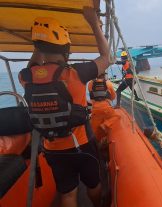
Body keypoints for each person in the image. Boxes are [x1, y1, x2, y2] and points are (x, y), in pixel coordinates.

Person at [18, 7, 110, 207]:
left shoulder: (26, 77)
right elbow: (106, 57)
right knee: (93, 185)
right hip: (82, 145)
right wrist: (94, 23)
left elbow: (32, 65)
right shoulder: (76, 73)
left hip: (52, 149)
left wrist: (38, 45)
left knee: (68, 194)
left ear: (40, 48)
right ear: (66, 49)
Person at [88, 73, 119, 142]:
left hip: (95, 109)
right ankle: (105, 125)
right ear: (104, 75)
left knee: (95, 132)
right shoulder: (109, 83)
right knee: (117, 116)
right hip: (106, 108)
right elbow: (113, 97)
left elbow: (91, 94)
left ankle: (97, 147)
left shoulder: (90, 83)